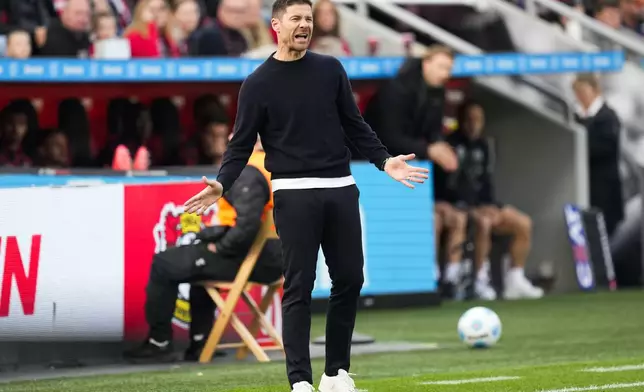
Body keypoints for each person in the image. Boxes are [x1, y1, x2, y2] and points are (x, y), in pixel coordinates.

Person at [183, 0, 429, 390]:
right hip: (293, 194)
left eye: (309, 19)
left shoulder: (330, 68)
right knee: (299, 284)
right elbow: (240, 145)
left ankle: (336, 373)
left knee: (349, 278)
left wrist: (384, 161)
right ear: (276, 25)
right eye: (296, 18)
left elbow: (355, 124)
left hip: (341, 188)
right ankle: (300, 381)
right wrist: (222, 183)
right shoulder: (258, 83)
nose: (304, 25)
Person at [124, 139, 283, 362]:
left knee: (164, 263)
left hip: (255, 258)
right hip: (272, 256)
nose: (229, 137)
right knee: (195, 265)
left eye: (236, 131)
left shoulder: (249, 171)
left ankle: (158, 342)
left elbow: (247, 226)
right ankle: (201, 343)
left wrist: (219, 246)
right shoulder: (275, 164)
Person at [436, 101, 544, 300]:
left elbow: (485, 181)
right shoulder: (449, 144)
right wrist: (471, 208)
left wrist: (491, 205)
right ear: (460, 120)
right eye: (469, 119)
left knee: (523, 223)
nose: (474, 124)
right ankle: (479, 280)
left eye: (478, 120)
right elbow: (446, 185)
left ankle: (515, 279)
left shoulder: (485, 146)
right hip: (456, 206)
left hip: (482, 204)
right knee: (483, 223)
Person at [363, 44, 459, 173]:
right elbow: (389, 136)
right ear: (426, 63)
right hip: (371, 160)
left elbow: (433, 131)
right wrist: (428, 149)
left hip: (408, 160)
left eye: (449, 69)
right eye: (441, 67)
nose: (445, 74)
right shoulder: (399, 88)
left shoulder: (438, 92)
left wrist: (440, 146)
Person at [572, 73, 624, 237]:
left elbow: (603, 148)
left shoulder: (608, 118)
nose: (580, 96)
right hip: (584, 189)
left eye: (583, 91)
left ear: (594, 90)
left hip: (604, 193)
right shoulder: (577, 117)